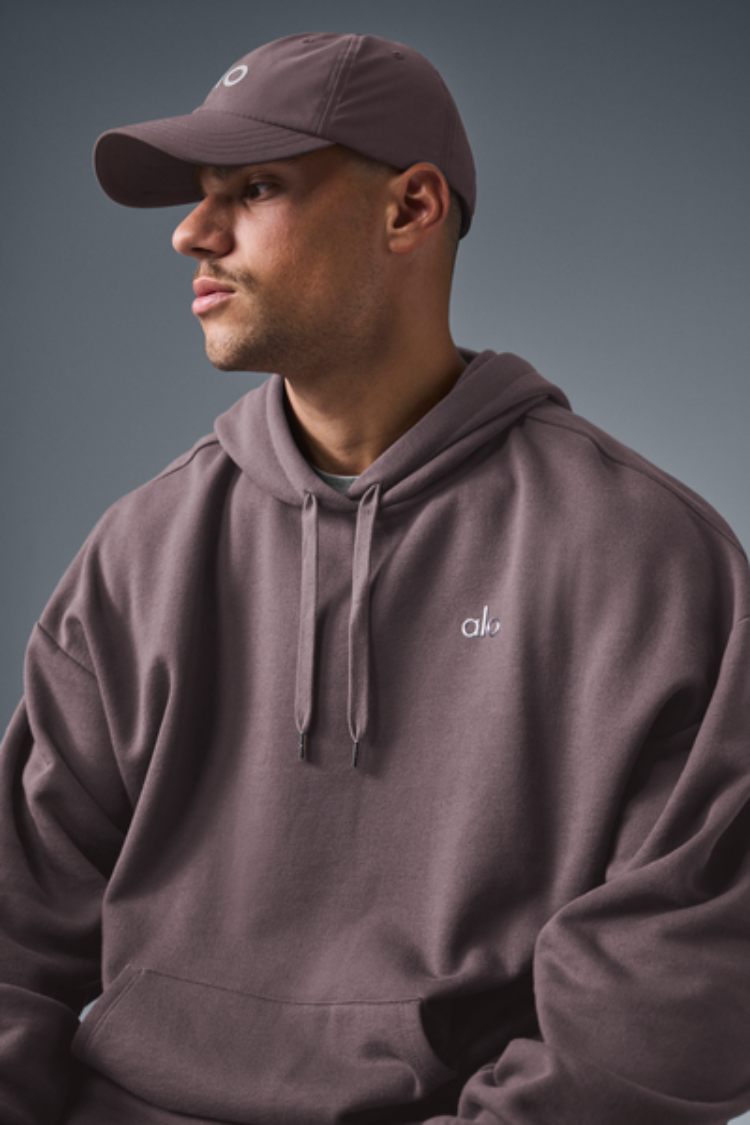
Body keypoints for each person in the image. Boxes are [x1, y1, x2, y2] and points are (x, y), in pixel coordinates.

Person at [0, 28, 748, 1125]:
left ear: (411, 208)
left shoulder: (645, 558)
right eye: (201, 196)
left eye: (254, 188)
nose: (191, 233)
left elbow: (681, 980)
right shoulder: (140, 553)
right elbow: (13, 937)